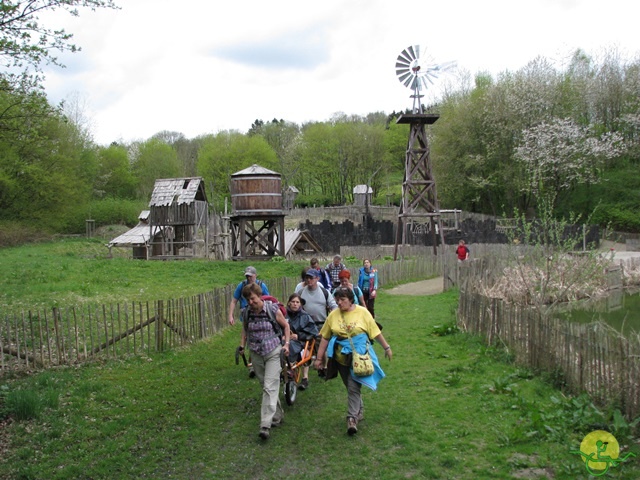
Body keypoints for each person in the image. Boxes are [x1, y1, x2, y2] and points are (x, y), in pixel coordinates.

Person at [314, 287, 392, 435]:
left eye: (342, 300)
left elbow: (375, 331)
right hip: (341, 358)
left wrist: (387, 348)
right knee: (349, 386)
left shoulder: (362, 312)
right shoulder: (333, 315)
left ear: (351, 300)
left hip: (359, 356)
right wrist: (319, 358)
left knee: (352, 387)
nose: (339, 303)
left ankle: (351, 419)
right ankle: (359, 409)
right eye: (337, 300)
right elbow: (324, 336)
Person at [239, 283, 290, 440]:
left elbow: (286, 326)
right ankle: (278, 414)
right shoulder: (247, 312)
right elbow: (245, 330)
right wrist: (242, 345)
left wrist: (286, 344)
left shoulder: (272, 309)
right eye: (248, 299)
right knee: (266, 386)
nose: (251, 302)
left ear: (259, 296)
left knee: (269, 386)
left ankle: (265, 425)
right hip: (255, 352)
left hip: (273, 351)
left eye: (253, 299)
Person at [285, 293, 319, 391]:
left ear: (300, 304)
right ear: (289, 303)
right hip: (285, 341)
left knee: (296, 348)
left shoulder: (305, 316)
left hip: (301, 342)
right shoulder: (284, 315)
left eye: (297, 302)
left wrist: (298, 336)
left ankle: (304, 377)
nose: (295, 304)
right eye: (293, 302)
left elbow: (314, 332)